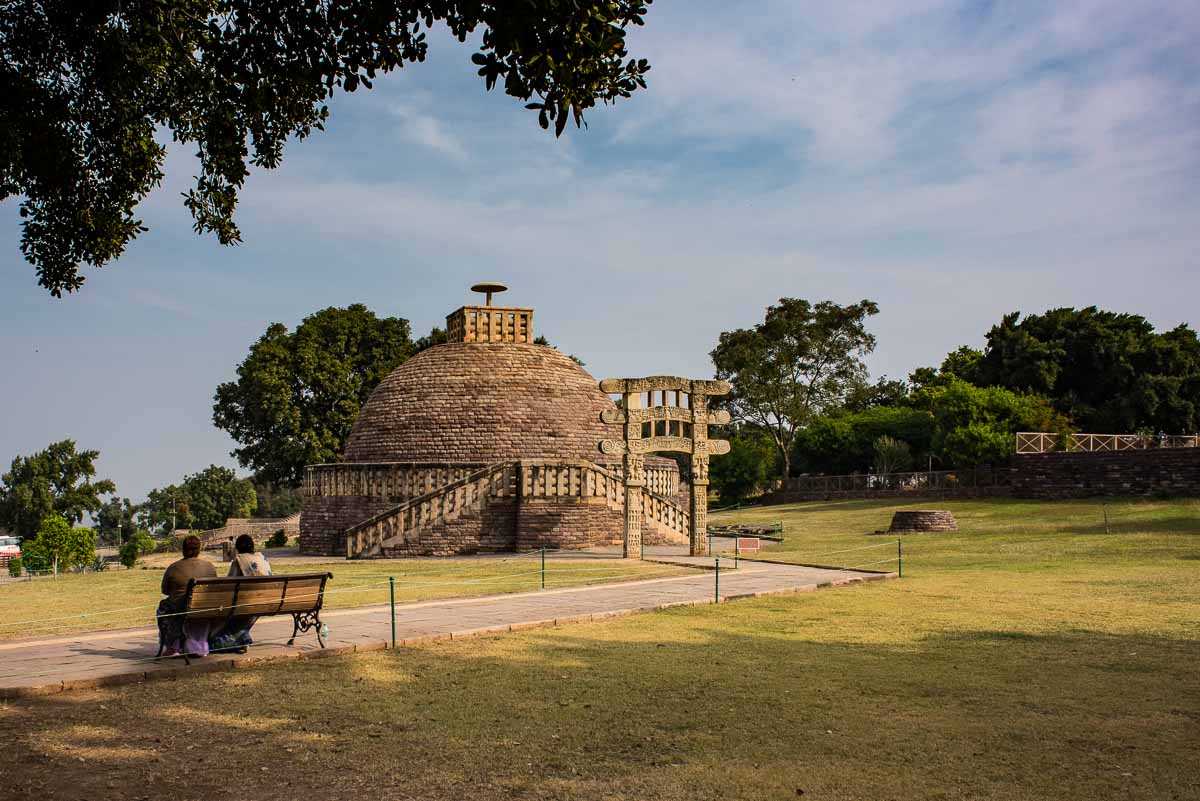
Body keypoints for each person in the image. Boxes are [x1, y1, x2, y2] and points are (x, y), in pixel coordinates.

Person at [209, 534, 271, 653]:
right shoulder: (262, 558)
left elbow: (229, 584)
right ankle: (242, 636)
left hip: (247, 603)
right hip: (266, 601)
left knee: (225, 609)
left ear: (237, 548)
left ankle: (235, 639)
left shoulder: (239, 560)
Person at [158, 535, 216, 657]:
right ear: (199, 549)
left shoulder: (174, 568)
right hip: (205, 608)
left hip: (182, 609)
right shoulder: (210, 567)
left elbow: (165, 590)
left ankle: (173, 646)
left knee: (163, 608)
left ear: (183, 549)